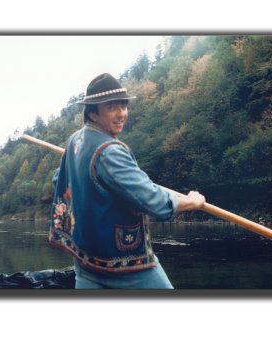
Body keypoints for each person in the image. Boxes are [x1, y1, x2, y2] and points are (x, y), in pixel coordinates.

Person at [51, 73, 205, 289]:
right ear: (93, 114)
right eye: (112, 107)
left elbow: (58, 178)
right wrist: (192, 202)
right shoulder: (110, 153)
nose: (121, 114)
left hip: (85, 261)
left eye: (123, 106)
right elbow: (154, 202)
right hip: (124, 268)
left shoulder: (74, 140)